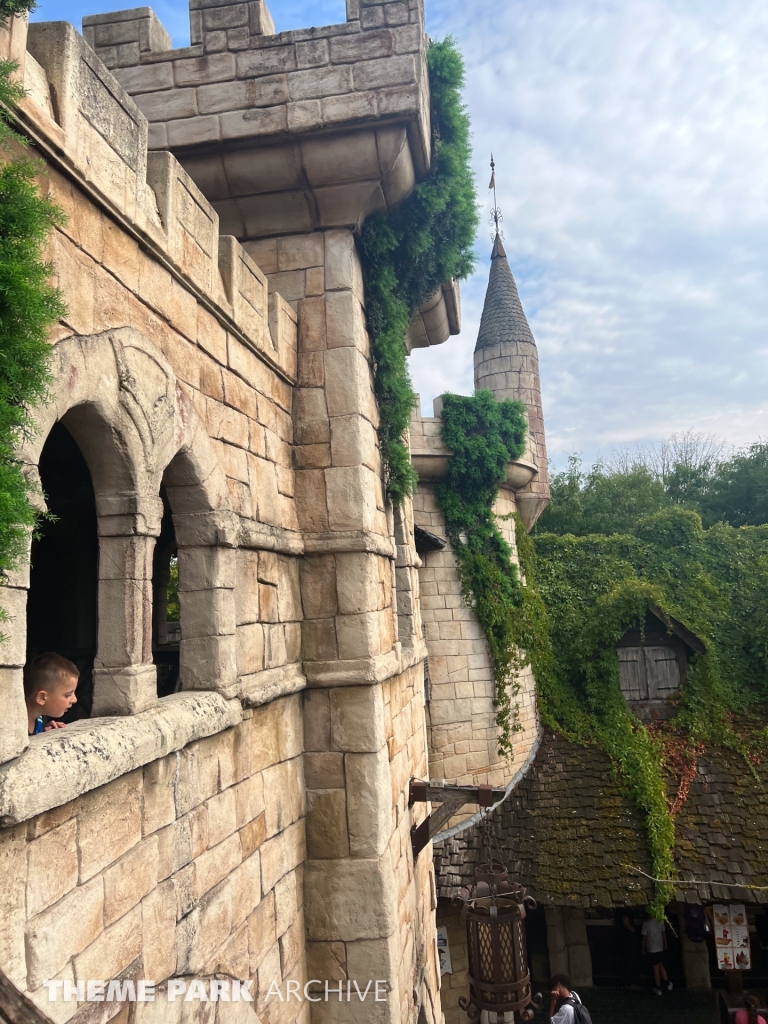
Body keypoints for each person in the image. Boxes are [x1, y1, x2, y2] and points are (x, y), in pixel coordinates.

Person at [24, 653, 78, 735]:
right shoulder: (14, 727)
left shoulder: (39, 719)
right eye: (68, 695)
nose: (74, 700)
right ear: (42, 698)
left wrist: (42, 731)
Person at [641, 911, 673, 995]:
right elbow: (664, 934)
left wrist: (642, 948)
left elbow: (644, 938)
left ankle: (658, 987)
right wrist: (665, 944)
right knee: (660, 964)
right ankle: (667, 982)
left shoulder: (646, 924)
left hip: (651, 948)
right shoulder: (660, 921)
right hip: (660, 947)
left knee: (655, 968)